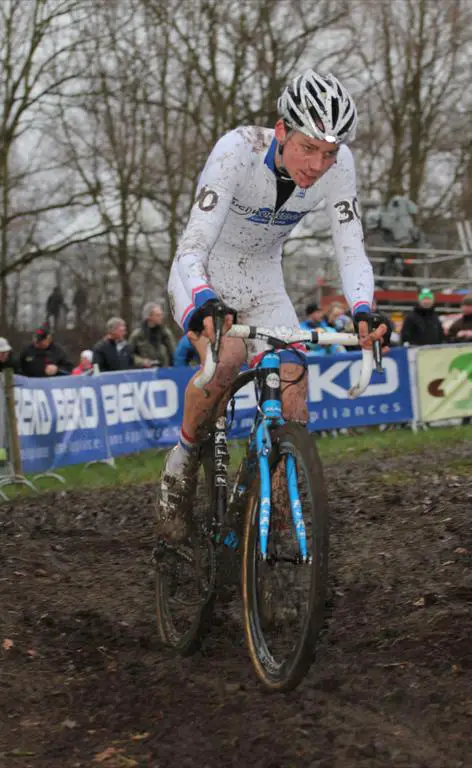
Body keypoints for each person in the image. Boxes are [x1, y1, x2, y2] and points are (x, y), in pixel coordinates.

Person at [162, 68, 388, 543]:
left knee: (294, 384)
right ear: (282, 130)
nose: (317, 165)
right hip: (207, 271)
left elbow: (351, 248)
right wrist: (204, 298)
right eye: (307, 148)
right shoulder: (237, 150)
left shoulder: (340, 167)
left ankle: (278, 504)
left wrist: (364, 309)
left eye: (328, 153)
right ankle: (179, 469)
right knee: (224, 363)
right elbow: (192, 246)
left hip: (264, 280)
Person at [129, 302, 174, 368]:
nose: (161, 317)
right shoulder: (137, 335)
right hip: (144, 373)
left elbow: (173, 354)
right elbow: (129, 355)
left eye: (161, 314)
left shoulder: (166, 333)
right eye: (158, 315)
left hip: (164, 371)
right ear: (149, 317)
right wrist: (141, 361)